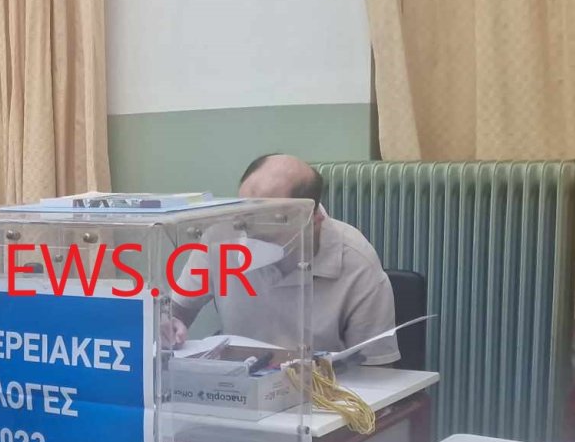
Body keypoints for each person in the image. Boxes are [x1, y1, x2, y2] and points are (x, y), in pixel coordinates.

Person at [166, 153, 400, 364]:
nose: (251, 235)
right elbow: (178, 309)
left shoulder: (357, 262)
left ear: (313, 218)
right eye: (245, 217)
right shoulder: (221, 237)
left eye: (268, 222)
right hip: (240, 383)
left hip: (323, 390)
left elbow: (376, 370)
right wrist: (167, 323)